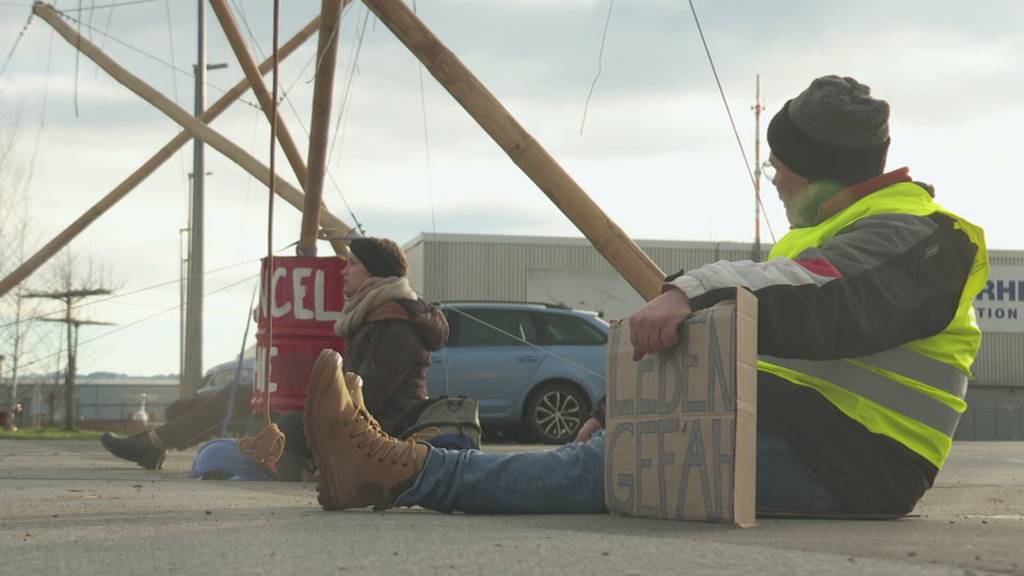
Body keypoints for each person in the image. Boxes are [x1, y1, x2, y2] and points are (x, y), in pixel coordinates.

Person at [302, 75, 989, 517]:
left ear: (822, 172)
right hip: (807, 437)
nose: (773, 180)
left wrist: (690, 291)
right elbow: (756, 344)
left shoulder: (922, 240)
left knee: (604, 471)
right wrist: (620, 406)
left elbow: (821, 303)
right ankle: (398, 463)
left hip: (856, 462)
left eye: (779, 166)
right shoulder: (839, 236)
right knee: (603, 452)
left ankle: (394, 474)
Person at [99, 237, 448, 477]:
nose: (344, 271)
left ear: (375, 272)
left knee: (287, 425)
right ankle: (155, 443)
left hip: (384, 429)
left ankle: (307, 472)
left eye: (353, 264)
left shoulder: (396, 323)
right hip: (362, 418)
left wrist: (310, 410)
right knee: (246, 394)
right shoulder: (373, 314)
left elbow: (369, 397)